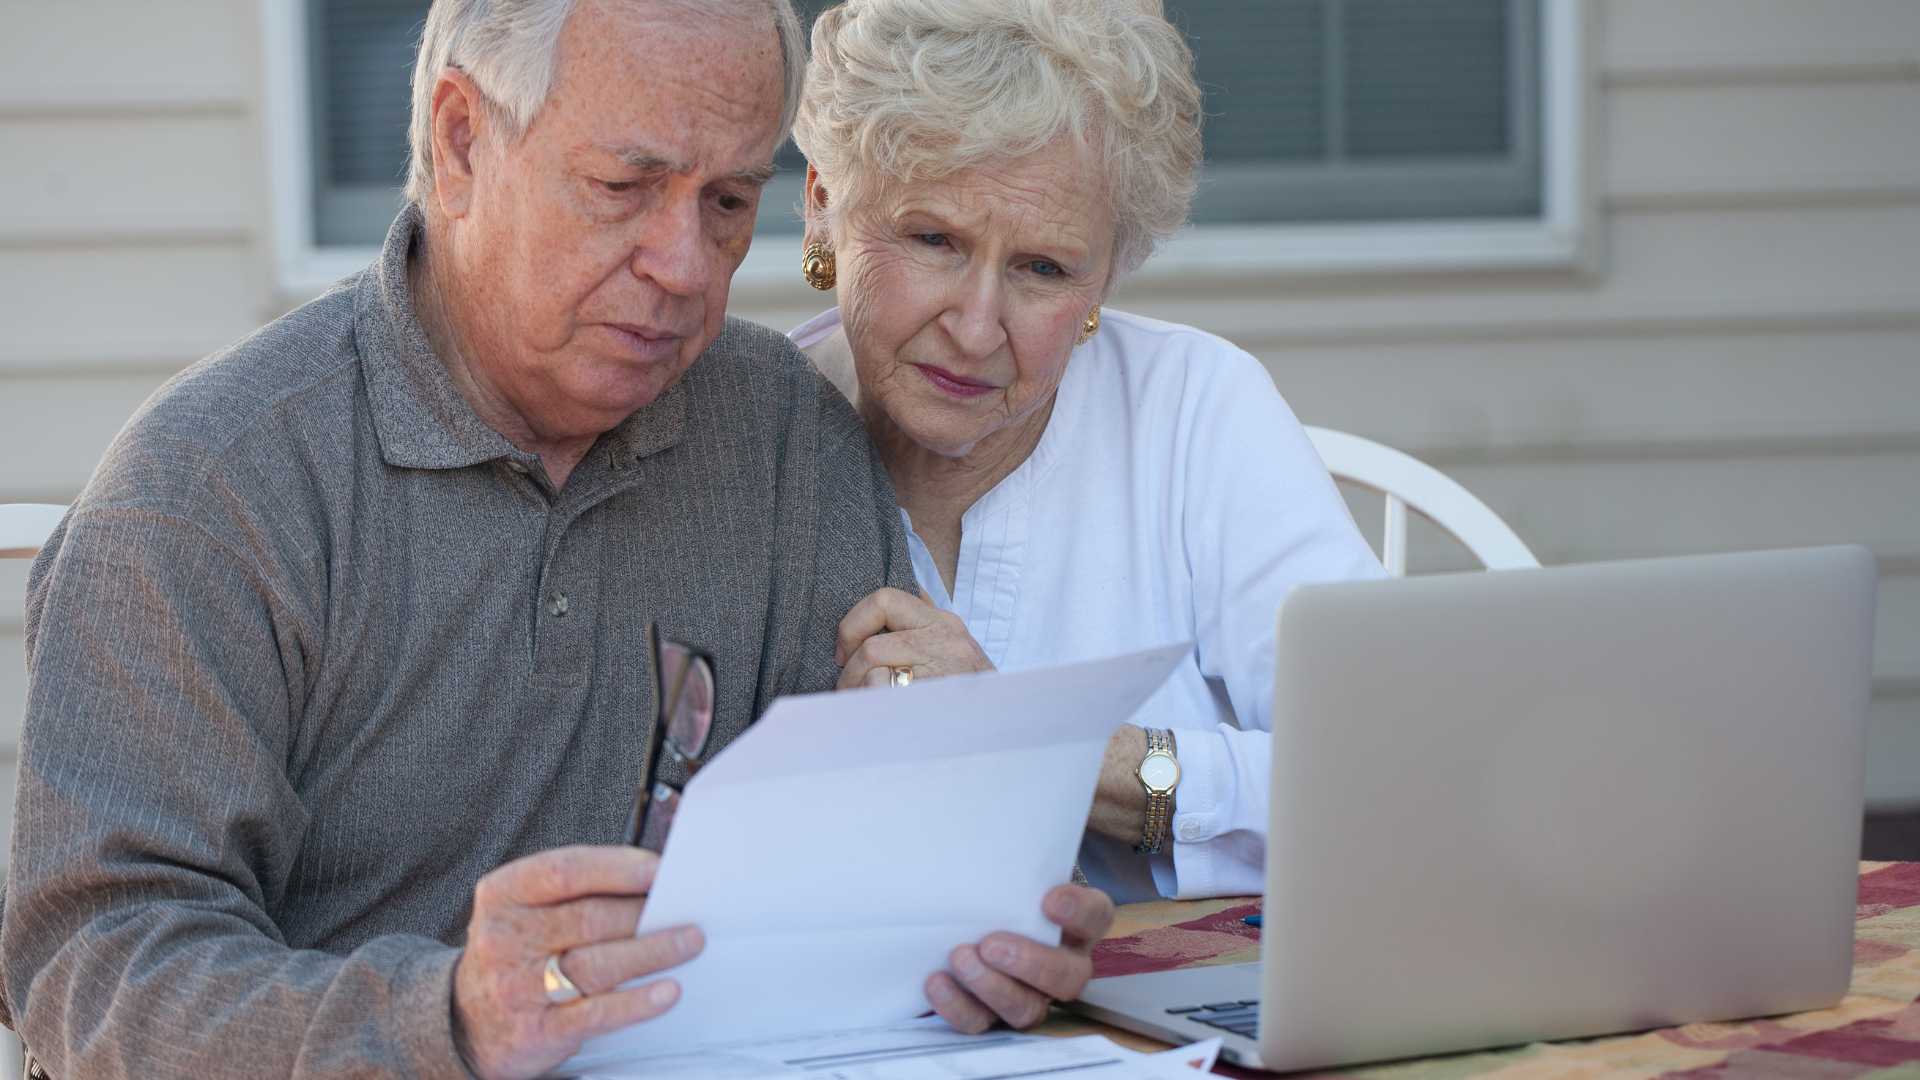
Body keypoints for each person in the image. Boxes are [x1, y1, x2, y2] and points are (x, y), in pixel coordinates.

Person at [0, 1, 1111, 1076]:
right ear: (462, 142)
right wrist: (451, 1021)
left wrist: (970, 931)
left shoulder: (782, 439)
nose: (683, 264)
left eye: (727, 202)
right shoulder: (211, 490)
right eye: (624, 187)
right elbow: (90, 973)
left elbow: (855, 881)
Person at [793, 0, 1387, 914]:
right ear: (826, 207)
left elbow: (1390, 762)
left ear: (1105, 279)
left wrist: (1044, 747)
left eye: (1044, 268)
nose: (977, 325)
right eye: (933, 240)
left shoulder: (1195, 407)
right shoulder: (746, 445)